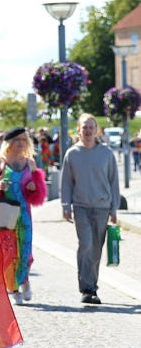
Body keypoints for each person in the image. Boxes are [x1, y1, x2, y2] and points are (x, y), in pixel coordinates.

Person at [61, 114, 120, 304]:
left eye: (91, 127)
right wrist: (65, 205)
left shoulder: (106, 153)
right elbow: (67, 182)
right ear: (79, 130)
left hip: (102, 207)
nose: (87, 131)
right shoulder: (72, 154)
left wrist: (114, 208)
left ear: (97, 130)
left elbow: (113, 182)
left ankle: (92, 287)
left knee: (96, 250)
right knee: (85, 244)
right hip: (81, 207)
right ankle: (86, 288)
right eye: (84, 127)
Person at [0, 127, 47, 305]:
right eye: (16, 139)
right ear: (9, 142)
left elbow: (40, 191)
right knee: (9, 252)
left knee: (26, 251)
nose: (20, 143)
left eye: (23, 139)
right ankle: (12, 288)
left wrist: (34, 188)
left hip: (24, 214)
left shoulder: (30, 163)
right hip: (6, 215)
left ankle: (25, 280)